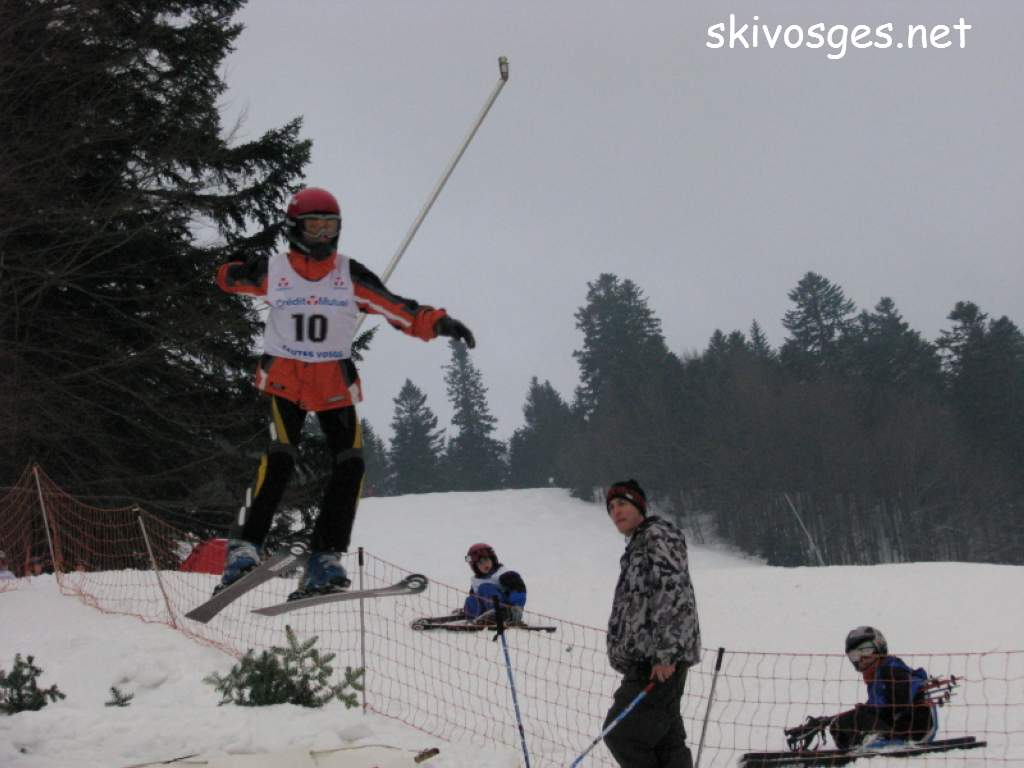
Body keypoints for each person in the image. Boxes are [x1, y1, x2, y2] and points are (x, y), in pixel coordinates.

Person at [215, 187, 475, 598]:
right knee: (280, 457)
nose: (322, 235)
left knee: (350, 464)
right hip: (285, 378)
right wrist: (232, 269)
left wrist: (437, 323)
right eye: (313, 227)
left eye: (329, 227)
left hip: (332, 383)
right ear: (295, 229)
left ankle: (325, 556)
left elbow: (396, 308)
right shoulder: (275, 271)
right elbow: (231, 280)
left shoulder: (349, 275)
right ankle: (244, 546)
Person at [603, 479, 702, 768]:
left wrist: (666, 654)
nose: (616, 511)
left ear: (639, 506)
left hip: (657, 661)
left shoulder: (657, 537)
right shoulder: (638, 545)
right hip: (646, 659)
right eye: (611, 507)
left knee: (621, 734)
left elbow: (673, 594)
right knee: (666, 742)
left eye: (622, 504)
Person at [826, 626, 936, 750]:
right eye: (855, 655)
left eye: (866, 650)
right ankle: (857, 746)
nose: (862, 658)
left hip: (913, 727)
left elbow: (899, 703)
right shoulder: (875, 676)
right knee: (838, 725)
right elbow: (880, 705)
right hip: (896, 726)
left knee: (858, 717)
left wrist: (867, 710)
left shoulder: (892, 669)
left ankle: (878, 740)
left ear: (879, 648)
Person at [461, 543, 527, 624]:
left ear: (493, 559)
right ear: (475, 567)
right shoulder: (476, 581)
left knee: (485, 588)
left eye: (486, 560)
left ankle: (501, 614)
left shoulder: (504, 575)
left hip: (504, 608)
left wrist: (516, 607)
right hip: (485, 611)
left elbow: (519, 589)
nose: (484, 564)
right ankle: (472, 616)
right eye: (480, 563)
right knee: (472, 598)